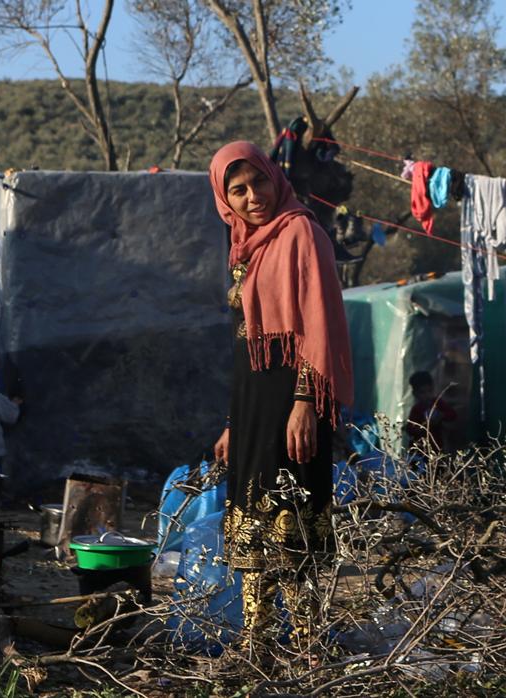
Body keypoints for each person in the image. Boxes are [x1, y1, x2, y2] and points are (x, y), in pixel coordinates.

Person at [207, 141, 354, 639]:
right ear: (224, 198)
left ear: (277, 177)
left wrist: (305, 403)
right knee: (252, 529)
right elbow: (243, 345)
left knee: (293, 528)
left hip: (293, 403)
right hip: (251, 407)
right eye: (239, 189)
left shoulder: (302, 233)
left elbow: (320, 326)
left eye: (260, 182)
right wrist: (232, 423)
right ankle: (259, 643)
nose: (254, 197)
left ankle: (310, 646)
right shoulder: (242, 246)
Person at [405, 371, 457, 454]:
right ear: (415, 394)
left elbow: (452, 414)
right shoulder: (417, 409)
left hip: (437, 447)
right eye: (423, 392)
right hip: (420, 450)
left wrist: (441, 416)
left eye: (429, 391)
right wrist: (422, 428)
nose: (427, 395)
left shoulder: (437, 403)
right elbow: (409, 428)